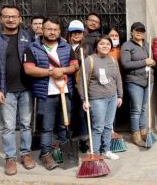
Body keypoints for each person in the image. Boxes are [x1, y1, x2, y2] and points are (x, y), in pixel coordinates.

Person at [0, 5, 35, 175]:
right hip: (6, 91)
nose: (11, 20)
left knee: (26, 124)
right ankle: (10, 158)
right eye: (7, 16)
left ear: (20, 18)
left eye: (14, 16)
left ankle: (26, 154)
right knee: (8, 126)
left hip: (27, 89)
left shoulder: (29, 37)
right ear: (0, 18)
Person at [23, 18, 79, 170]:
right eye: (49, 29)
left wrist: (63, 70)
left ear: (60, 31)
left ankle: (63, 151)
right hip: (46, 94)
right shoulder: (33, 48)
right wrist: (50, 72)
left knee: (64, 124)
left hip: (65, 92)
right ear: (42, 29)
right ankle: (45, 154)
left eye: (55, 29)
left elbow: (75, 66)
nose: (52, 32)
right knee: (47, 127)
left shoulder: (66, 47)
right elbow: (29, 69)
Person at [80, 36, 123, 160]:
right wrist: (84, 99)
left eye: (107, 44)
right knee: (98, 127)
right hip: (97, 99)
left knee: (108, 126)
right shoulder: (90, 60)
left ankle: (106, 150)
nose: (105, 46)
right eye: (102, 44)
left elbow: (118, 78)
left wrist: (120, 95)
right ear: (96, 46)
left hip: (112, 97)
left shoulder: (113, 60)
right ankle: (96, 153)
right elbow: (83, 81)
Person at [121, 22, 155, 146]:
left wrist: (153, 63)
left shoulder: (147, 44)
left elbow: (153, 62)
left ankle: (143, 131)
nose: (139, 32)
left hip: (148, 81)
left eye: (141, 30)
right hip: (134, 81)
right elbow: (126, 64)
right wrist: (144, 61)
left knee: (144, 108)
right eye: (136, 30)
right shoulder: (127, 45)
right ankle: (135, 134)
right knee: (136, 109)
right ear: (131, 32)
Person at [66, 20, 90, 151]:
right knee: (68, 112)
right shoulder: (63, 46)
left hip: (81, 84)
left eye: (79, 32)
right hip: (65, 83)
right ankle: (68, 139)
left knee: (81, 113)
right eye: (73, 32)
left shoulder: (87, 48)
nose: (76, 34)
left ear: (83, 33)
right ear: (69, 33)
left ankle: (83, 139)